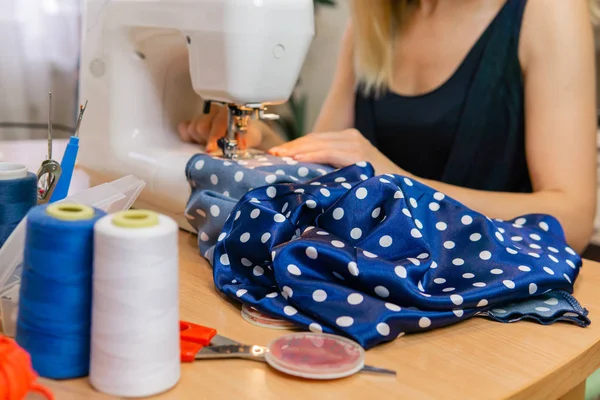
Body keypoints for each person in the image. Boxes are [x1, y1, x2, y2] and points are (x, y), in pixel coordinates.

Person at [178, 0, 598, 253]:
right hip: (384, 291)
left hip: (495, 314)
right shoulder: (377, 18)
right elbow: (331, 168)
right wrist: (264, 142)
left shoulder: (548, 11)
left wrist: (397, 181)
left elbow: (572, 223)